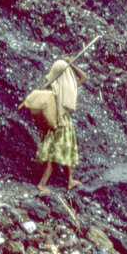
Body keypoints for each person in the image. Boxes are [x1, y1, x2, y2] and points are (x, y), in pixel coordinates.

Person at [35, 57, 87, 192]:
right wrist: (72, 64)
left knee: (63, 152)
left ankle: (69, 180)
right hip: (62, 125)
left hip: (51, 123)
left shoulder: (47, 87)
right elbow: (83, 77)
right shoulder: (67, 88)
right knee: (55, 154)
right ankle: (42, 184)